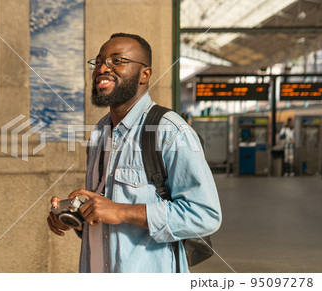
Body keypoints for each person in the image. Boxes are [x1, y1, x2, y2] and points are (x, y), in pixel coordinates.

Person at [47, 33, 221, 273]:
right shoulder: (99, 132)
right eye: (98, 62)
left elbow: (205, 214)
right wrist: (76, 216)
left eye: (117, 61)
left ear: (144, 74)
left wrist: (122, 211)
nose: (102, 68)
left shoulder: (169, 130)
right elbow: (108, 216)